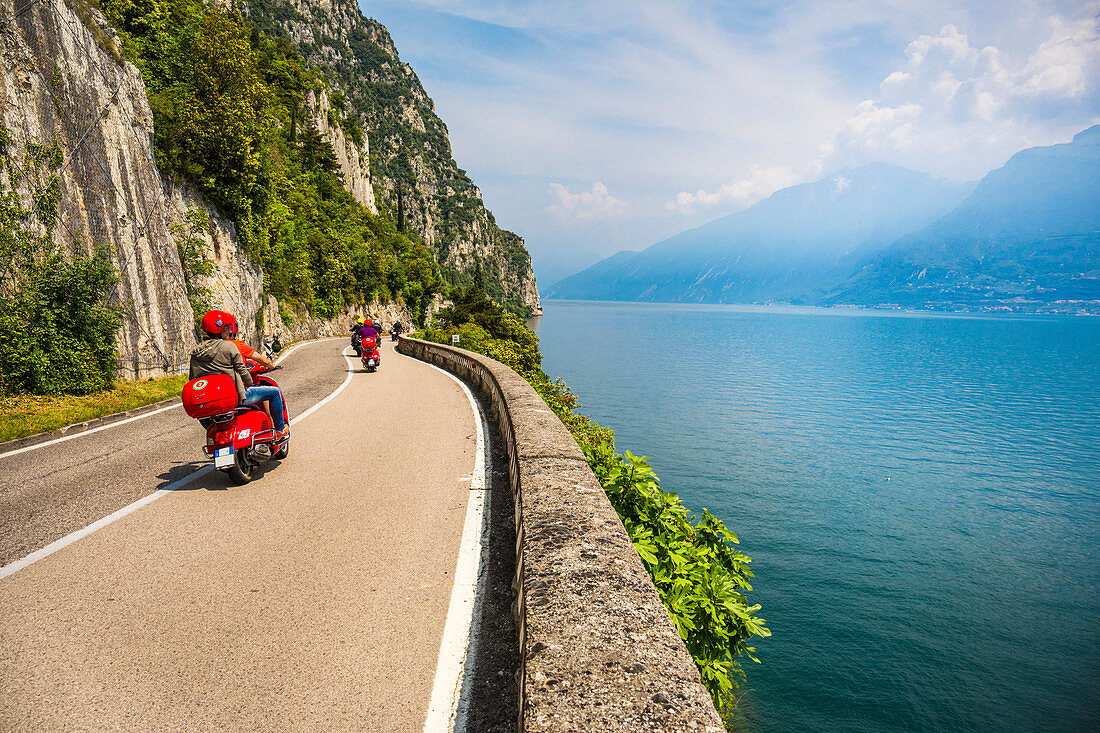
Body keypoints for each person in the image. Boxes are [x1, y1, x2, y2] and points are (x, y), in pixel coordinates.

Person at [190, 310, 286, 437]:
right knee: (274, 393)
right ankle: (280, 429)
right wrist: (249, 382)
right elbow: (242, 370)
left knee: (203, 413)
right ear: (219, 330)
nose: (228, 331)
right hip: (235, 396)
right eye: (226, 329)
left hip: (210, 400)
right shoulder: (229, 346)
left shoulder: (196, 353)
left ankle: (216, 433)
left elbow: (192, 379)